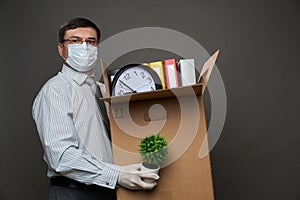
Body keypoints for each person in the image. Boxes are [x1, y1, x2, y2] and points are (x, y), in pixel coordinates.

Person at [32, 17, 159, 200]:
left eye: (90, 42)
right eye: (75, 41)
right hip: (75, 192)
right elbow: (61, 157)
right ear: (61, 49)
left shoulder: (103, 90)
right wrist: (117, 175)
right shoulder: (56, 90)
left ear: (97, 48)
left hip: (111, 191)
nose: (84, 47)